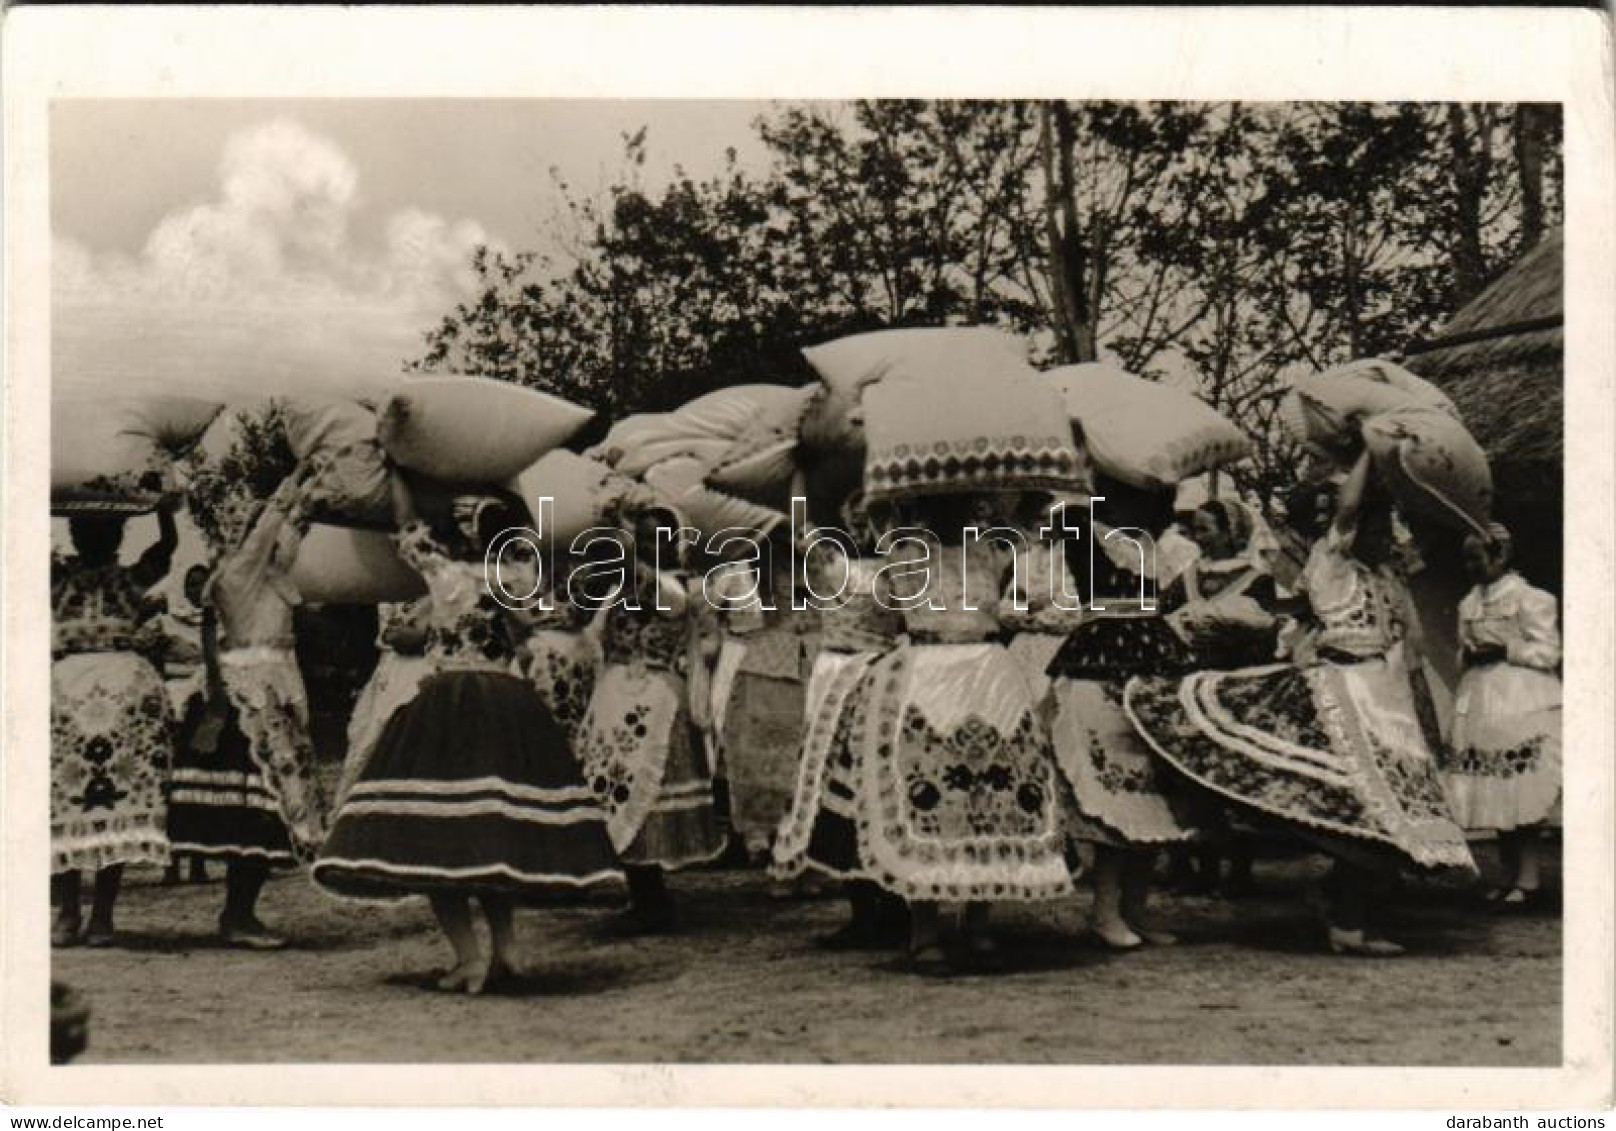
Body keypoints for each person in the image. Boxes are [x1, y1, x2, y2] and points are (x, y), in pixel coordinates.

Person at [1124, 451, 1477, 956]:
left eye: (1389, 530)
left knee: (1387, 817)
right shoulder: (1332, 562)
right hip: (1343, 691)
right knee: (1364, 806)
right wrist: (1369, 452)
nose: (1387, 538)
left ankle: (1341, 905)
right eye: (1379, 528)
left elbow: (1405, 644)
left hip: (1383, 697)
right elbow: (1349, 511)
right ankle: (1345, 919)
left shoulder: (1382, 579)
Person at [314, 473, 622, 993]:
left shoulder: (446, 575)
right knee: (494, 835)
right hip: (506, 701)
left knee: (439, 838)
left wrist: (396, 476)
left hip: (452, 700)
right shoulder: (518, 578)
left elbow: (407, 530)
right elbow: (560, 616)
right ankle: (506, 952)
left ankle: (469, 958)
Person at [854, 492, 1072, 972]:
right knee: (929, 791)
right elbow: (875, 522)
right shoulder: (903, 550)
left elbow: (1030, 505)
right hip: (927, 673)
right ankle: (924, 927)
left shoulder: (994, 549)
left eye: (962, 503)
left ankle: (978, 919)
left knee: (991, 794)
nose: (953, 512)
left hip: (989, 673)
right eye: (942, 505)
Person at [1042, 480, 1201, 950]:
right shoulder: (1079, 525)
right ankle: (1105, 910)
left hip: (1151, 664)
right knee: (1115, 787)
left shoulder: (1154, 544)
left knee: (1154, 789)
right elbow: (1063, 506)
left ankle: (1136, 909)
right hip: (1100, 662)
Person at [574, 494, 725, 932]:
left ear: (676, 540)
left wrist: (616, 530)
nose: (649, 544)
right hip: (619, 694)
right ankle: (643, 894)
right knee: (616, 788)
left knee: (643, 788)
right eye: (642, 537)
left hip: (656, 698)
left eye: (658, 537)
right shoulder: (629, 584)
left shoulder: (676, 589)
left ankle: (652, 900)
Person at [771, 495, 909, 948]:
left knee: (880, 784)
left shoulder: (899, 566)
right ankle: (863, 908)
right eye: (857, 518)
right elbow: (799, 521)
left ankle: (894, 905)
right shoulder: (826, 560)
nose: (864, 526)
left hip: (884, 675)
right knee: (836, 785)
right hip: (835, 678)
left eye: (873, 518)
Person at [51, 501, 179, 946]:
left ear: (118, 537)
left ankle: (95, 915)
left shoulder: (126, 579)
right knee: (64, 800)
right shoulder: (57, 578)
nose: (95, 539)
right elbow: (168, 545)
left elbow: (168, 548)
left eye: (102, 531)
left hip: (118, 693)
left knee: (114, 801)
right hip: (71, 693)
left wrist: (164, 505)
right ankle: (71, 913)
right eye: (87, 531)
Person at [1160, 498, 1283, 897]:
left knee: (1231, 772)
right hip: (1191, 680)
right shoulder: (1189, 576)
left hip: (1233, 685)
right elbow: (1164, 615)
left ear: (1233, 533)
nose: (1199, 538)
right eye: (1195, 530)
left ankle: (1239, 868)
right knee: (1189, 773)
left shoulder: (1255, 578)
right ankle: (1198, 864)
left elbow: (1268, 630)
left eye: (1206, 529)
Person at [1441, 523, 1562, 909]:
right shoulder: (1468, 603)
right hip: (1480, 702)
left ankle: (1527, 881)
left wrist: (1505, 649)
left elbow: (1548, 653)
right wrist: (1471, 656)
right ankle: (1508, 876)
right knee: (1495, 791)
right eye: (1466, 560)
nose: (1471, 567)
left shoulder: (1532, 599)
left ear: (1501, 556)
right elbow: (1461, 654)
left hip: (1520, 701)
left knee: (1522, 791)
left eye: (1478, 558)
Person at [713, 523, 818, 863]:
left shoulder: (807, 569)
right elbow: (710, 612)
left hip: (796, 667)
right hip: (757, 666)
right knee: (754, 760)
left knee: (789, 759)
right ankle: (758, 835)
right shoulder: (739, 574)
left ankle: (787, 836)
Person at [333, 597, 434, 808]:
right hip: (392, 667)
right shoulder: (392, 583)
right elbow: (391, 634)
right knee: (370, 738)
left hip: (426, 667)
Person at [160, 563, 214, 885]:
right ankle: (171, 863)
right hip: (174, 706)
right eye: (192, 584)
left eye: (204, 584)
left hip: (208, 705)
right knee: (173, 781)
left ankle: (199, 861)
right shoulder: (164, 624)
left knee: (202, 779)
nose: (198, 590)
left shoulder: (223, 623)